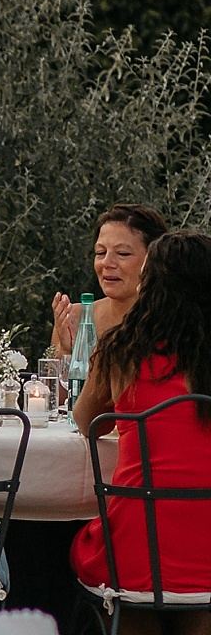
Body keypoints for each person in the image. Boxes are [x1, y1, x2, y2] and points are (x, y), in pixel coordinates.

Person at [70, 230, 211, 628]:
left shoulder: (121, 350)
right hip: (208, 541)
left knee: (129, 569)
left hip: (137, 548)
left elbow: (86, 422)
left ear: (151, 285)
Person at [52, 204, 168, 356]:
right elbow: (53, 379)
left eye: (122, 253)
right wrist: (67, 351)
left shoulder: (173, 323)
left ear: (153, 258)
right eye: (100, 252)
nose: (106, 263)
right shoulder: (75, 318)